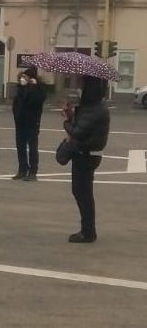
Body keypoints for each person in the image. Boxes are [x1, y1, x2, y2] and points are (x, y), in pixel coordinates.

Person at [62, 75, 110, 243]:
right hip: (89, 153)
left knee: (82, 192)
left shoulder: (93, 109)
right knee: (82, 192)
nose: (79, 88)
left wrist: (67, 121)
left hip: (85, 154)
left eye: (82, 85)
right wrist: (72, 114)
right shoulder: (94, 107)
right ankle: (87, 229)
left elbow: (77, 132)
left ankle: (88, 231)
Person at [12, 67, 47, 181]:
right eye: (22, 77)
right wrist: (16, 116)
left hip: (32, 122)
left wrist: (33, 87)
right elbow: (17, 104)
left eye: (25, 77)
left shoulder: (39, 89)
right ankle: (22, 169)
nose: (23, 79)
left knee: (32, 147)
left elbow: (35, 101)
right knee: (20, 147)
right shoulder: (20, 88)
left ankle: (33, 172)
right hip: (20, 123)